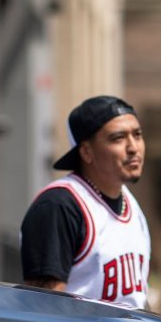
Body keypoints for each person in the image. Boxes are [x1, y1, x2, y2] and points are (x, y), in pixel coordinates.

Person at [21, 95, 150, 308]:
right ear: (87, 152)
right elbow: (43, 310)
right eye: (118, 138)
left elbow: (136, 299)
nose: (133, 147)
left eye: (137, 135)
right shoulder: (59, 205)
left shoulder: (130, 202)